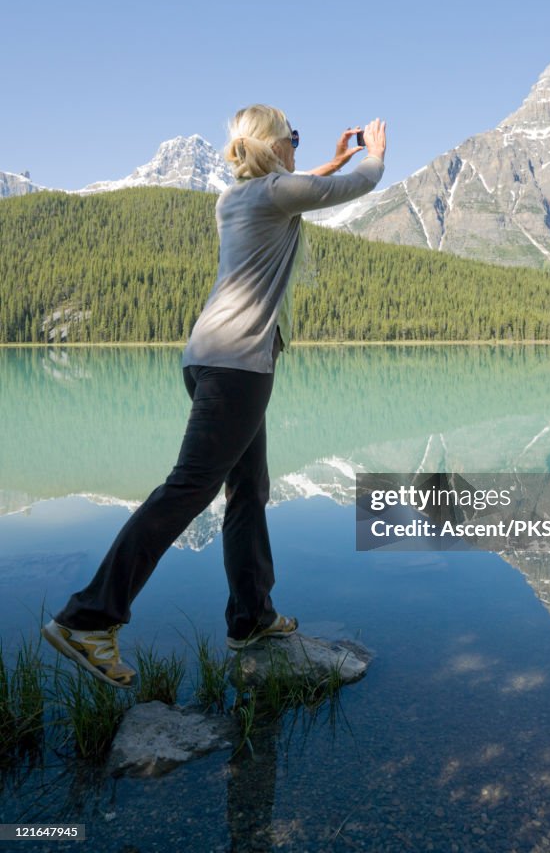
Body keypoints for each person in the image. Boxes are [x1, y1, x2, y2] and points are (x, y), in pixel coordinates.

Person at [42, 107, 387, 687]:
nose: (297, 147)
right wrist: (373, 152)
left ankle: (251, 618)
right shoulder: (274, 193)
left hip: (207, 359)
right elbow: (358, 185)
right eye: (293, 139)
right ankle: (88, 619)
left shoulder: (237, 198)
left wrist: (330, 159)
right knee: (190, 489)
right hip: (237, 367)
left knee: (249, 488)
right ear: (276, 146)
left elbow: (301, 188)